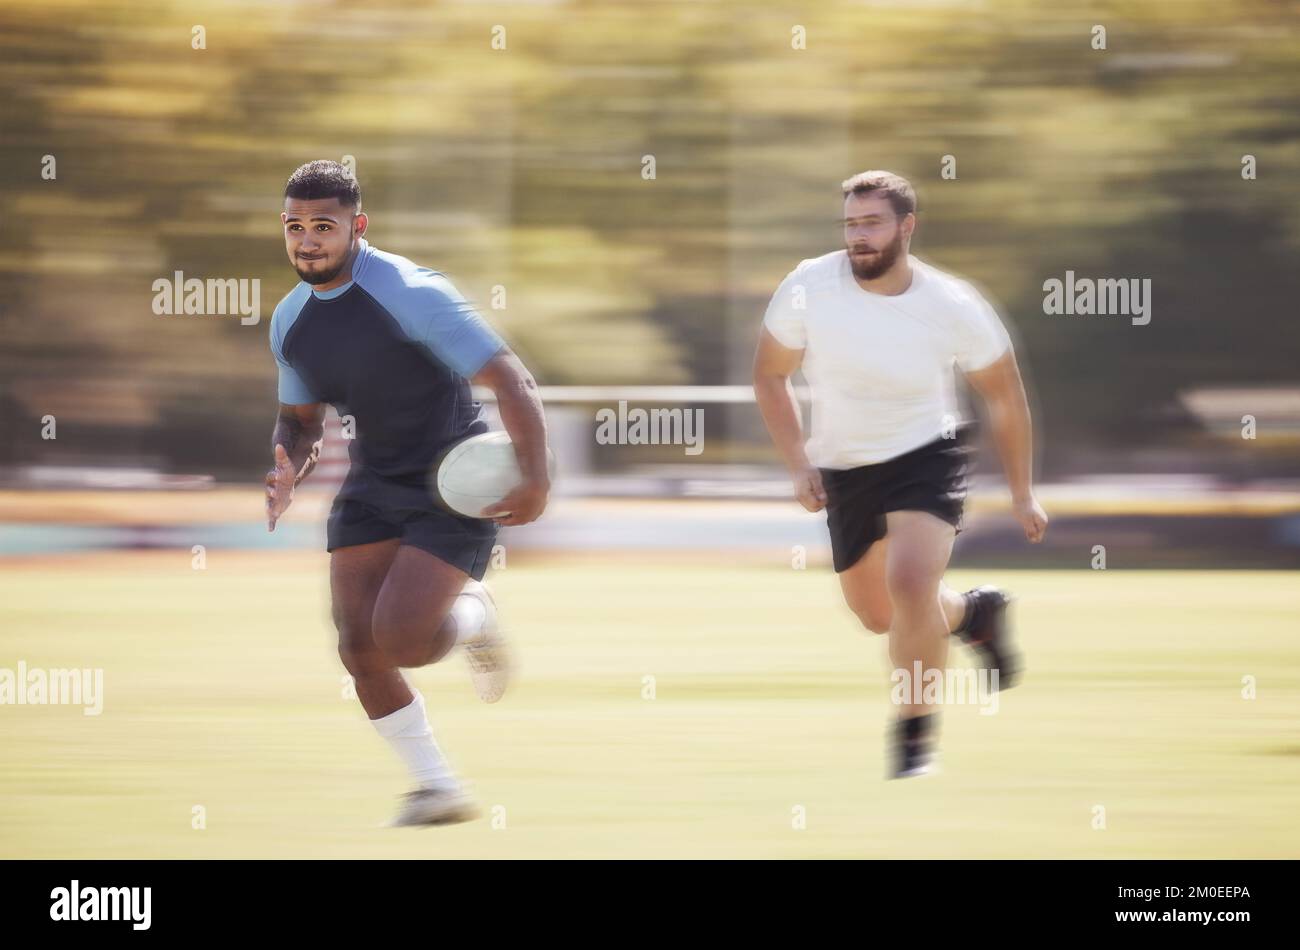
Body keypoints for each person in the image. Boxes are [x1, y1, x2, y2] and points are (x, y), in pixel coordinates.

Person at [265, 161, 550, 823]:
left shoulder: (411, 291)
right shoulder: (290, 321)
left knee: (404, 640)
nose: (308, 241)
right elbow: (300, 422)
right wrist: (287, 465)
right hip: (373, 482)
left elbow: (513, 381)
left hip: (454, 481)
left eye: (324, 227)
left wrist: (536, 479)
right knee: (355, 644)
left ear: (356, 227)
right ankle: (438, 788)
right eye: (295, 227)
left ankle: (475, 615)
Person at [752, 170, 1048, 777]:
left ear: (906, 226)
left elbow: (1004, 398)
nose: (859, 237)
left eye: (872, 223)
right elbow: (770, 375)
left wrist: (1022, 493)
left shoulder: (952, 304)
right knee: (878, 615)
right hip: (844, 465)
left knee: (911, 585)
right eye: (851, 224)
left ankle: (915, 742)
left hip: (926, 454)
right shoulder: (809, 286)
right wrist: (799, 463)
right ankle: (972, 614)